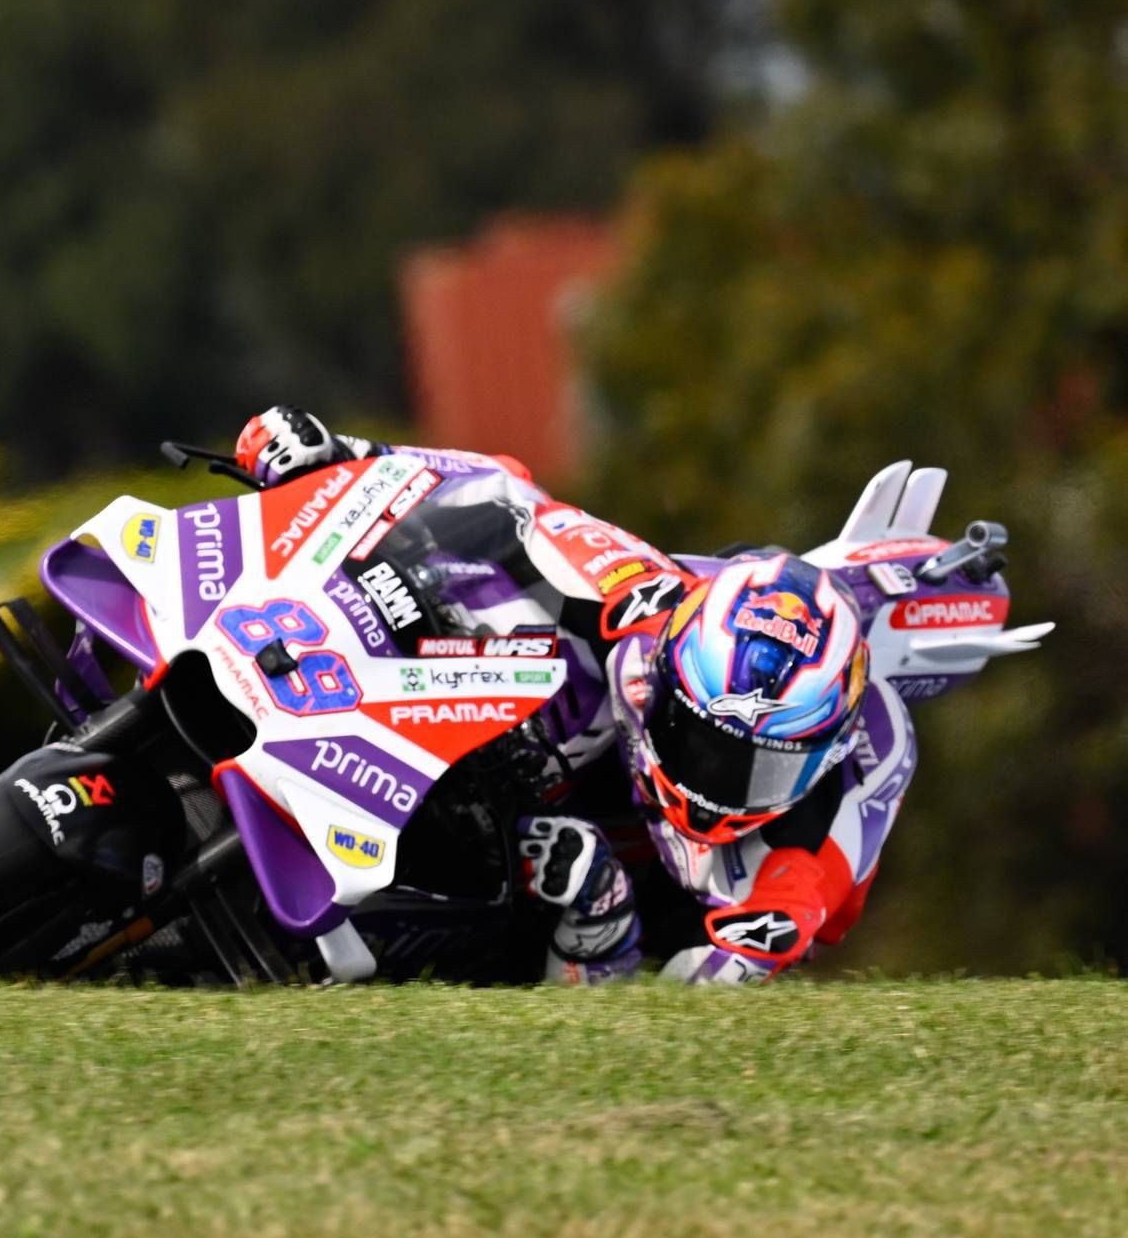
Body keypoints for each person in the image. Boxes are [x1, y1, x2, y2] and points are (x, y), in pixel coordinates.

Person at [224, 405, 1040, 984]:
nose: (708, 777)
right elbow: (507, 493)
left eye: (750, 766)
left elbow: (800, 893)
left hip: (637, 894)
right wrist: (343, 454)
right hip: (539, 757)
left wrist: (741, 946)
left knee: (595, 887)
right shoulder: (654, 608)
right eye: (698, 737)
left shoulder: (870, 748)